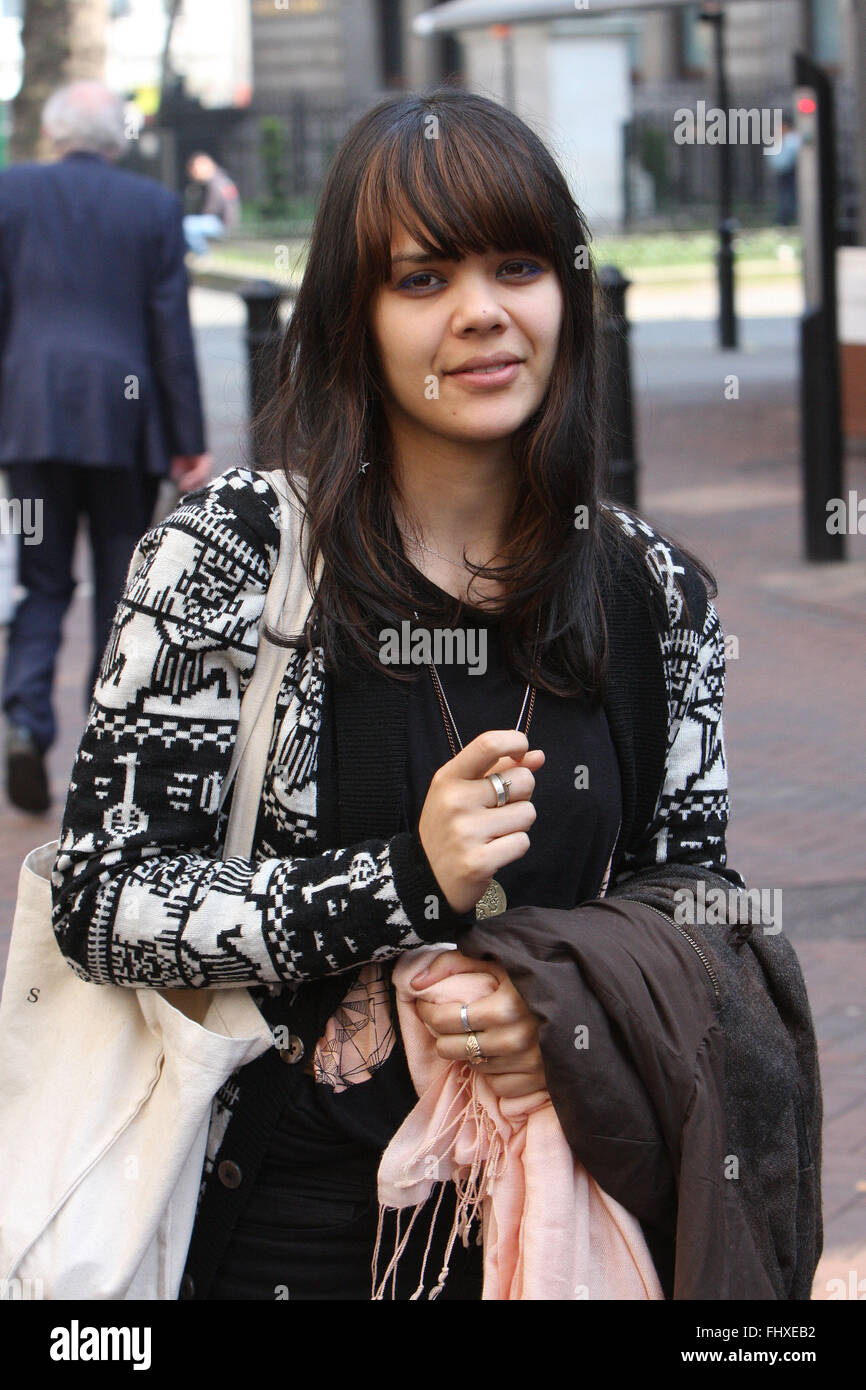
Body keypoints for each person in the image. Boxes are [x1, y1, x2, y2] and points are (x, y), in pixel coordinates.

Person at [51, 88, 780, 1300]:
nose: (482, 314)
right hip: (287, 1237)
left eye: (516, 265)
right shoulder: (232, 559)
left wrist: (567, 1005)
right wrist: (402, 880)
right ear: (354, 319)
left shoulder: (652, 592)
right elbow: (104, 898)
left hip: (565, 1228)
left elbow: (695, 893)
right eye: (422, 278)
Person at [0, 81, 212, 814]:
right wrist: (188, 442)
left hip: (30, 426)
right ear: (114, 138)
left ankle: (26, 720)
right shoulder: (151, 206)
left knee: (42, 579)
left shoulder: (9, 192)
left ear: (56, 131)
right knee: (123, 590)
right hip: (124, 429)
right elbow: (170, 333)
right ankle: (100, 745)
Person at [183, 152, 241, 257]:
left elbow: (211, 210)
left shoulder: (217, 183)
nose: (192, 173)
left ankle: (204, 255)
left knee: (187, 225)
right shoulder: (216, 180)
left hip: (222, 224)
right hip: (217, 221)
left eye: (195, 169)